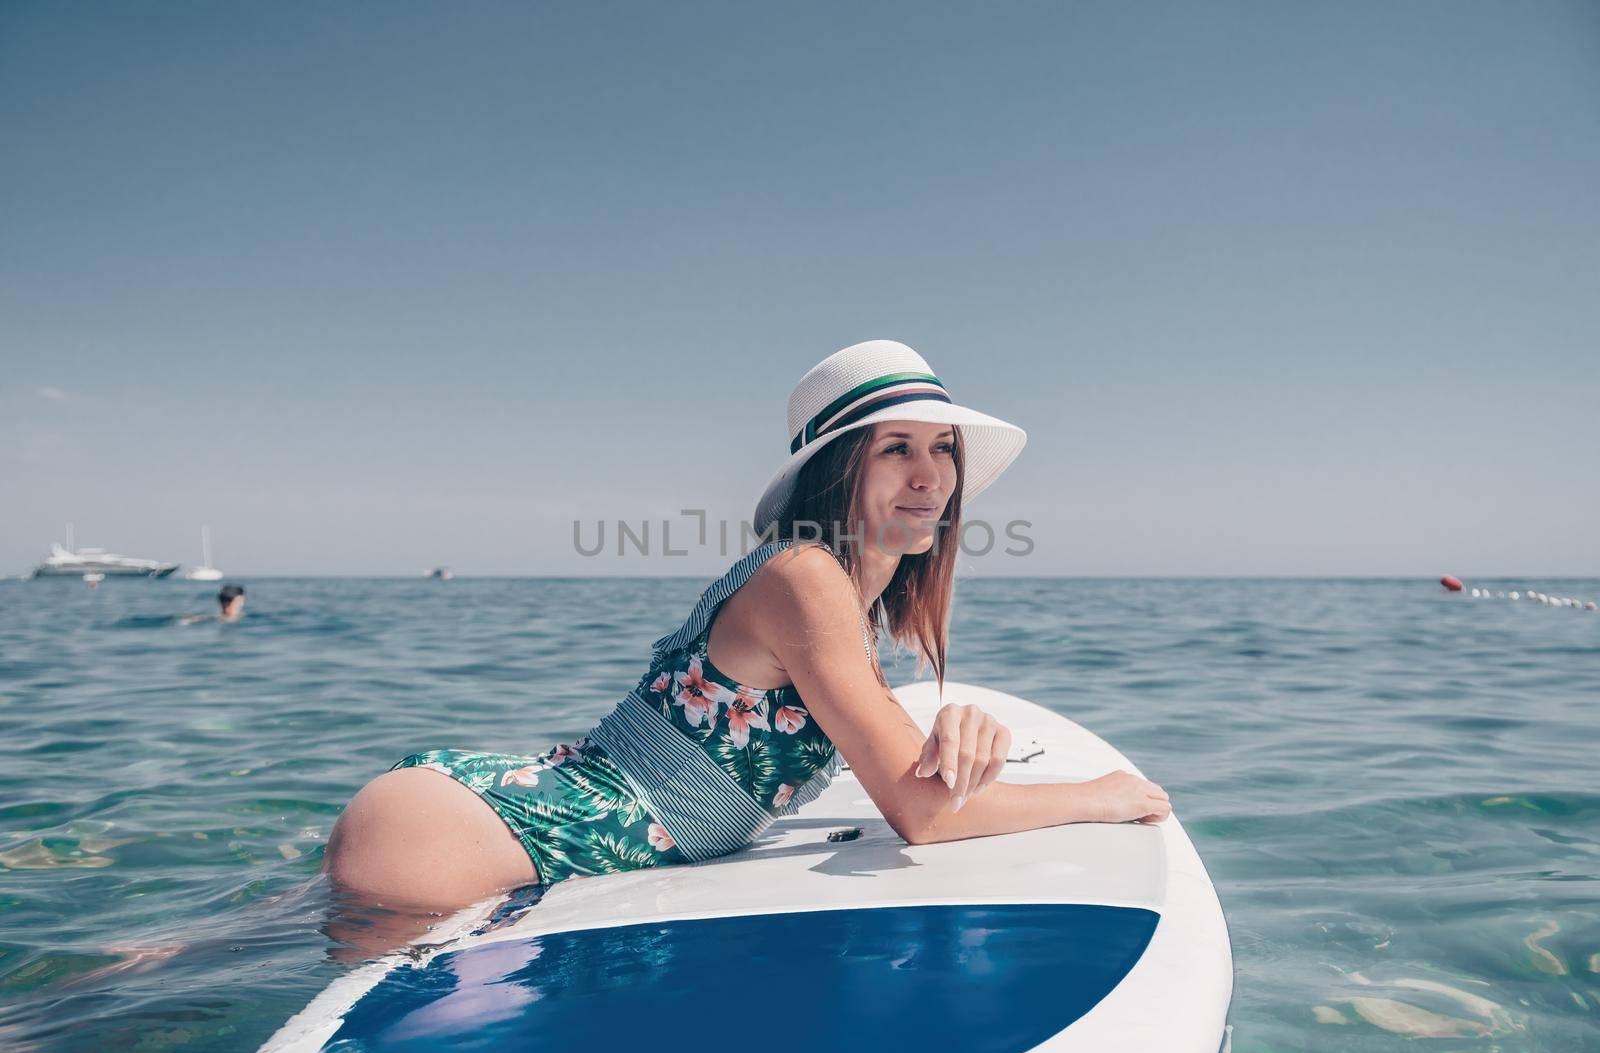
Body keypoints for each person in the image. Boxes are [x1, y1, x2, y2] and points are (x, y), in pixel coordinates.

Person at [321, 339, 1171, 948]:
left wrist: (951, 742)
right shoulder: (806, 577)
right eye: (898, 449)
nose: (932, 475)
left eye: (943, 449)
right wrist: (1099, 794)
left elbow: (911, 783)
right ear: (840, 469)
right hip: (475, 834)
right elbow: (921, 814)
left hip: (477, 828)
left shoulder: (836, 602)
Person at [178, 584, 246, 625]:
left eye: (229, 599)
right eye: (222, 599)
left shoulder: (247, 621)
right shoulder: (211, 618)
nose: (225, 603)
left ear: (241, 600)